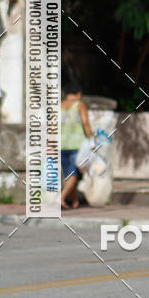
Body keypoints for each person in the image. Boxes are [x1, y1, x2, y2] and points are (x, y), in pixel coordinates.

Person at [60, 80, 92, 209]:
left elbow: (52, 126)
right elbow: (85, 123)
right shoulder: (79, 105)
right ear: (78, 93)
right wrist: (92, 139)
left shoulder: (59, 105)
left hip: (61, 144)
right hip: (76, 144)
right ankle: (61, 198)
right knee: (74, 174)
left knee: (68, 173)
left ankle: (74, 201)